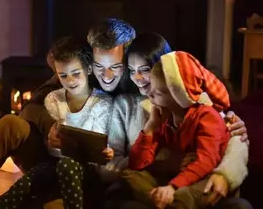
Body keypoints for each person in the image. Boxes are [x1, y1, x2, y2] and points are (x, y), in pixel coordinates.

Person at [0, 18, 248, 209]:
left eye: (114, 65)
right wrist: (52, 125)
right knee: (11, 124)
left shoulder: (146, 78)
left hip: (100, 175)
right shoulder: (83, 69)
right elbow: (34, 103)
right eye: (99, 65)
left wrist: (231, 122)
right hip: (55, 155)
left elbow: (202, 103)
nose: (106, 75)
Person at [107, 33, 250, 209]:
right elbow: (121, 163)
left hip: (196, 180)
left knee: (238, 206)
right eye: (131, 70)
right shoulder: (130, 106)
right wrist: (153, 135)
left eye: (145, 70)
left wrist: (224, 176)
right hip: (159, 179)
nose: (137, 78)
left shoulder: (201, 107)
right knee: (122, 189)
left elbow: (227, 148)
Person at [0, 36, 114, 209]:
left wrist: (108, 152)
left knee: (66, 167)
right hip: (56, 163)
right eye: (63, 76)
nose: (70, 82)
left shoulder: (102, 102)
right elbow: (53, 145)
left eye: (76, 74)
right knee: (25, 185)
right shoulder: (56, 99)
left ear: (88, 69)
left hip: (88, 170)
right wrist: (54, 142)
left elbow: (111, 143)